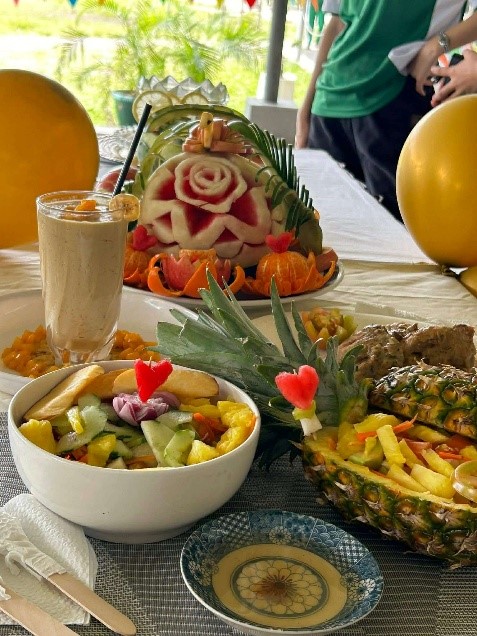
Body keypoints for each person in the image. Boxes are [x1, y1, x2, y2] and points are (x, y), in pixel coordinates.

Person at [295, 0, 477, 221]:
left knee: (397, 231)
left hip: (394, 99)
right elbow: (337, 23)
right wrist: (306, 109)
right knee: (323, 227)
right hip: (328, 104)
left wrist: (438, 44)